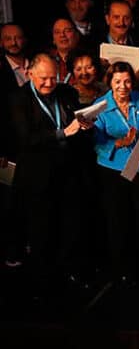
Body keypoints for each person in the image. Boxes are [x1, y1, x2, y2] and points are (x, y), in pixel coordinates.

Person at [9, 54, 94, 282]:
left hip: (68, 170)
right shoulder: (19, 98)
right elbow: (26, 138)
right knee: (41, 227)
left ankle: (71, 269)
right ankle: (43, 276)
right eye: (43, 79)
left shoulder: (66, 92)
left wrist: (85, 124)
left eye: (53, 78)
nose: (49, 83)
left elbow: (76, 120)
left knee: (72, 222)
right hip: (38, 174)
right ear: (30, 75)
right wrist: (63, 132)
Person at [93, 61, 139, 283]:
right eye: (118, 81)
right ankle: (121, 268)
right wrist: (120, 142)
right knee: (118, 220)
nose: (123, 86)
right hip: (112, 169)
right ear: (110, 82)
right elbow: (96, 142)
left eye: (127, 81)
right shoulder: (99, 106)